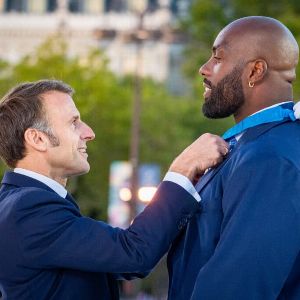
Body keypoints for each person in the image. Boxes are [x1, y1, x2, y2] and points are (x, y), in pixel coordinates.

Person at [0, 80, 228, 300]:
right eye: (73, 122)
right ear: (37, 138)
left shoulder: (18, 204)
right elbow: (134, 253)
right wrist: (182, 170)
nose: (89, 132)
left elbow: (116, 259)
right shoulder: (29, 210)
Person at [167, 16, 300, 299]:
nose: (204, 69)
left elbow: (239, 288)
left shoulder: (271, 158)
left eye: (218, 58)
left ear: (255, 72)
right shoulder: (251, 146)